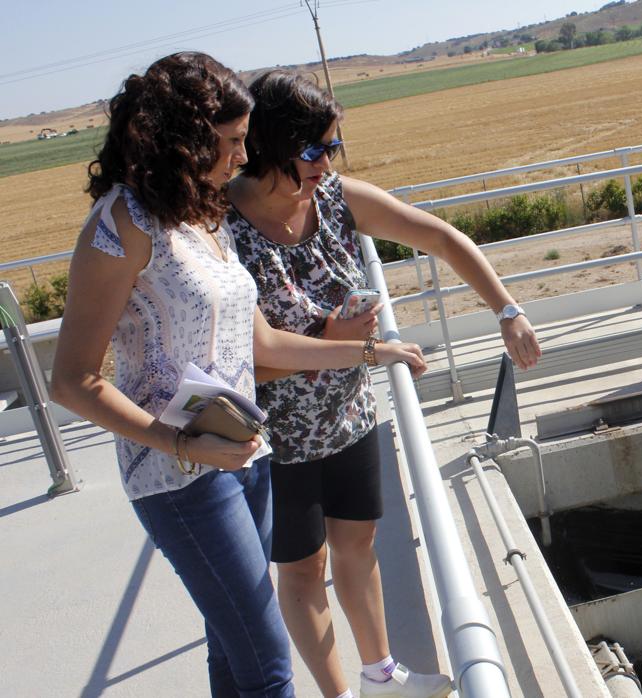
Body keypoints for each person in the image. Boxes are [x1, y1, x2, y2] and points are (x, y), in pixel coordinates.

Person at [50, 53, 428, 698]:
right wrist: (180, 443)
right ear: (181, 139)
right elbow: (73, 380)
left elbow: (266, 342)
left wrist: (372, 354)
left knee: (233, 653)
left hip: (244, 456)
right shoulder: (121, 224)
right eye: (229, 142)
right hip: (178, 476)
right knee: (266, 658)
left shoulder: (202, 217)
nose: (242, 156)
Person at [225, 70, 541, 698]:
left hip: (348, 416)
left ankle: (381, 677)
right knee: (303, 570)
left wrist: (508, 310)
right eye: (312, 150)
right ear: (270, 144)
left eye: (331, 148)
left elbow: (440, 237)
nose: (325, 163)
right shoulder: (222, 227)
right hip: (275, 440)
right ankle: (340, 695)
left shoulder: (336, 199)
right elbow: (242, 359)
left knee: (358, 543)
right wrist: (355, 343)